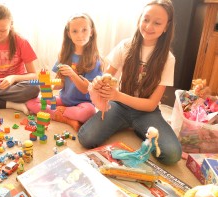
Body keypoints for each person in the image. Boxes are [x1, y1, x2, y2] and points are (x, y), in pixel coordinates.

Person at [78, 0, 182, 165]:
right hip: (119, 107)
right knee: (86, 138)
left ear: (166, 27)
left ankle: (137, 127)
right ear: (140, 19)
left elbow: (150, 104)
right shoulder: (125, 46)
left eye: (157, 23)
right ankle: (134, 127)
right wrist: (98, 82)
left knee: (172, 154)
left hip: (147, 112)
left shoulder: (168, 59)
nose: (148, 26)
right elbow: (106, 76)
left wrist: (117, 95)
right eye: (146, 19)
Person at [26, 13, 103, 131]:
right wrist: (47, 84)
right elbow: (60, 83)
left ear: (91, 32)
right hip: (64, 100)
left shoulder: (95, 60)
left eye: (84, 30)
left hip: (84, 104)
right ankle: (67, 119)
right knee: (31, 102)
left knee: (89, 112)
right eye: (75, 31)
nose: (80, 35)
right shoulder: (65, 56)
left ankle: (60, 113)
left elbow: (85, 89)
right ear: (69, 34)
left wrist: (72, 74)